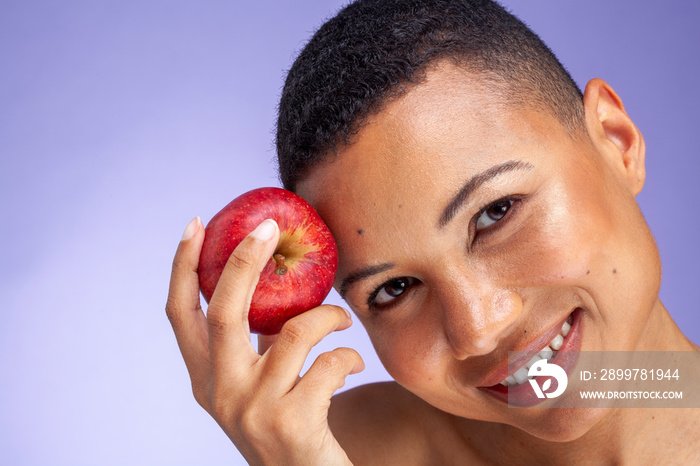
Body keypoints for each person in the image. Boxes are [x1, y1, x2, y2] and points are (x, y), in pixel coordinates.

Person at [166, 0, 700, 463]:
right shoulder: (330, 450)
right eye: (393, 289)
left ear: (617, 140)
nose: (478, 329)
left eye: (497, 212)